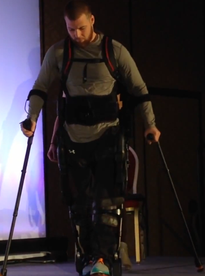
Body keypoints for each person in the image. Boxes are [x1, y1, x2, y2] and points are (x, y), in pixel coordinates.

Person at [20, 1, 160, 275]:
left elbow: (139, 89)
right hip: (73, 140)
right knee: (80, 206)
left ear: (93, 20)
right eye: (71, 29)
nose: (77, 35)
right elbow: (40, 88)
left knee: (107, 204)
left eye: (82, 28)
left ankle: (103, 260)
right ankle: (87, 258)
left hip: (107, 137)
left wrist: (151, 125)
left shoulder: (113, 51)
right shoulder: (59, 53)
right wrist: (32, 119)